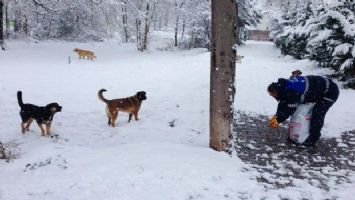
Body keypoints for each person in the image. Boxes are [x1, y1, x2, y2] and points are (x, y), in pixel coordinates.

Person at [267, 74, 339, 147]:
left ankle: (312, 140)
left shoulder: (292, 91)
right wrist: (276, 116)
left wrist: (278, 119)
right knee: (307, 112)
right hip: (318, 89)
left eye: (273, 95)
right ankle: (305, 134)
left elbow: (290, 109)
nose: (273, 97)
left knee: (317, 113)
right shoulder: (284, 87)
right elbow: (283, 102)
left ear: (277, 91)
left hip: (330, 92)